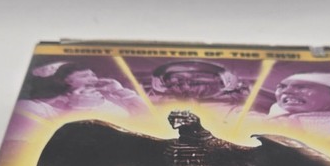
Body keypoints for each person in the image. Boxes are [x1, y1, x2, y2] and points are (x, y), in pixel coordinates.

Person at [17, 61, 146, 120]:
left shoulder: (110, 98)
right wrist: (77, 110)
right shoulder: (33, 107)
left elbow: (148, 116)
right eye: (85, 76)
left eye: (93, 75)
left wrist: (121, 91)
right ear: (66, 80)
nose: (93, 79)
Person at [147, 60, 251, 108]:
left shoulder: (228, 109)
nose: (186, 87)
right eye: (177, 82)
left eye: (196, 81)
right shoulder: (157, 105)